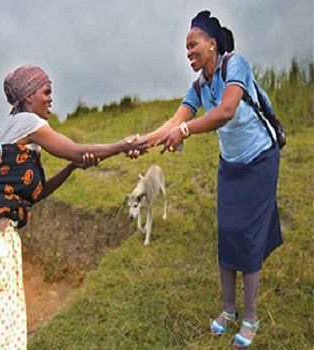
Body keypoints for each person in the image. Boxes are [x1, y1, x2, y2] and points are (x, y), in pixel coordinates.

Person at [0, 65, 147, 350]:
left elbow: (36, 194)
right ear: (29, 96)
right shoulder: (27, 123)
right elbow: (75, 148)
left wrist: (72, 167)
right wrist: (121, 145)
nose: (51, 99)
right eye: (46, 92)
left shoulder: (23, 137)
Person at [131, 10, 283, 348]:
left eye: (193, 45)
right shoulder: (200, 85)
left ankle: (250, 317)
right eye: (185, 48)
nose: (188, 52)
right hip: (231, 164)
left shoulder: (235, 64)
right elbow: (176, 119)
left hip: (260, 159)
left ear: (212, 44)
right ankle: (228, 311)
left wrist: (185, 130)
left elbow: (227, 110)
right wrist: (144, 142)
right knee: (227, 232)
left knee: (248, 236)